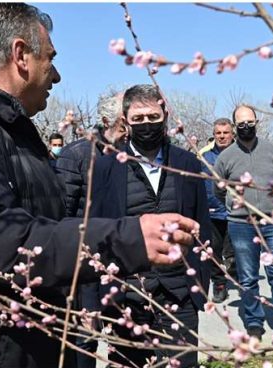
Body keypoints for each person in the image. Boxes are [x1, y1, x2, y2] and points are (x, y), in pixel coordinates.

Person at [0, 4, 198, 368]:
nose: (57, 76)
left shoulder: (3, 127)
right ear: (21, 55)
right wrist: (127, 239)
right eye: (49, 58)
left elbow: (40, 222)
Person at [90, 84, 211, 367]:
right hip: (128, 293)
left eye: (153, 117)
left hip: (179, 290)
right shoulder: (107, 167)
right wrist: (100, 297)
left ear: (165, 115)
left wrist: (201, 282)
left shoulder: (187, 164)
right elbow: (97, 229)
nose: (147, 124)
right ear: (126, 121)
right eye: (139, 118)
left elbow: (201, 222)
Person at [55, 90, 127, 368]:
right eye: (124, 123)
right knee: (85, 339)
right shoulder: (77, 155)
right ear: (107, 120)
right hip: (85, 266)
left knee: (124, 339)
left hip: (122, 263)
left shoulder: (128, 156)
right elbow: (63, 220)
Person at [214, 104, 273, 343]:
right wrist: (234, 206)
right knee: (248, 276)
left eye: (250, 122)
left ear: (256, 122)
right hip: (241, 224)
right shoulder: (226, 157)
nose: (246, 127)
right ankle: (254, 324)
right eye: (241, 124)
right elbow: (219, 190)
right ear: (234, 126)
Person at [56, 90, 127, 217]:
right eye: (123, 126)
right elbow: (63, 211)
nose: (128, 132)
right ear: (106, 122)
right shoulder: (75, 155)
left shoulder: (131, 154)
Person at [201, 118, 235, 303]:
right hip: (212, 212)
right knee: (213, 251)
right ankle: (219, 285)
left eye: (226, 133)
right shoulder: (204, 156)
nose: (222, 136)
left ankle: (236, 274)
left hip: (235, 212)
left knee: (234, 252)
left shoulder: (241, 153)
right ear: (214, 135)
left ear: (232, 134)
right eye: (218, 133)